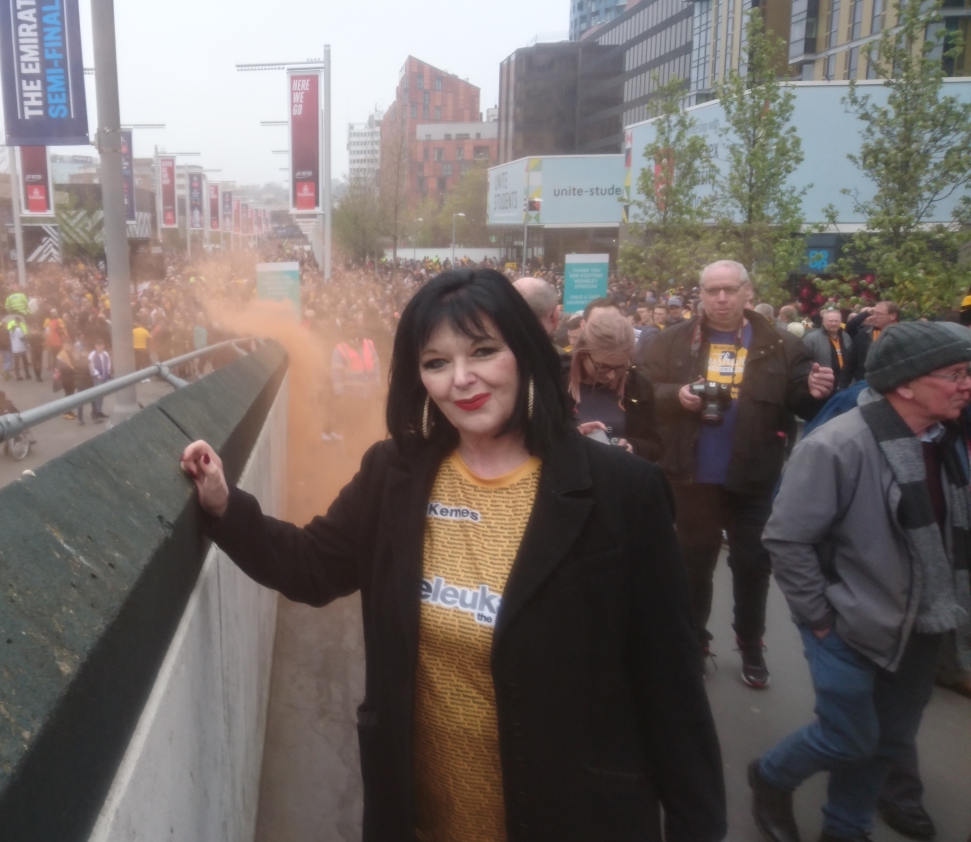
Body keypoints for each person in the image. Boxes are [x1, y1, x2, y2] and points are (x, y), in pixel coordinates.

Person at [181, 268, 725, 842]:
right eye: (436, 362)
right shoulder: (393, 473)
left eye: (484, 351)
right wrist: (223, 504)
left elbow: (673, 694)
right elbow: (311, 566)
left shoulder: (624, 492)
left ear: (526, 352)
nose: (461, 380)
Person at [750, 321, 971, 842]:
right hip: (848, 625)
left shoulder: (946, 442)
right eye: (956, 374)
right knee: (849, 738)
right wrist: (821, 620)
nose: (967, 385)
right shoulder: (838, 444)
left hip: (925, 621)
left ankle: (845, 828)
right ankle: (771, 776)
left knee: (889, 740)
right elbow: (786, 539)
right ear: (906, 382)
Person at [640, 259, 832, 687]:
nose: (721, 298)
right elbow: (643, 391)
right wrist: (677, 395)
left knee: (752, 566)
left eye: (729, 289)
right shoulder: (673, 342)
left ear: (748, 292)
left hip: (753, 478)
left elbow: (802, 400)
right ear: (701, 295)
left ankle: (750, 644)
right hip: (691, 478)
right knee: (693, 566)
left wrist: (816, 393)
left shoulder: (779, 344)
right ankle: (694, 641)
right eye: (712, 291)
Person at [570, 310, 662, 462]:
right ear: (583, 353)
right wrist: (573, 436)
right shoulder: (555, 382)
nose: (611, 376)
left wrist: (633, 446)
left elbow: (656, 446)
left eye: (620, 367)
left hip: (622, 479)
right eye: (602, 367)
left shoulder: (638, 386)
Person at [845, 300, 901, 385]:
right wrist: (842, 386)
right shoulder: (864, 334)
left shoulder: (903, 336)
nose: (873, 317)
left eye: (878, 314)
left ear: (893, 316)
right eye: (874, 313)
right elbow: (850, 363)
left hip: (893, 386)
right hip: (865, 385)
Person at [803, 307, 852, 394]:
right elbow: (804, 362)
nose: (833, 323)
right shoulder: (811, 339)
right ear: (824, 322)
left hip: (845, 385)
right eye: (830, 321)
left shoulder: (846, 337)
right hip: (823, 385)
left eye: (836, 321)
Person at [88, 339, 112, 421]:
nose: (100, 347)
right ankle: (95, 411)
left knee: (102, 395)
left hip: (104, 376)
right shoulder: (92, 355)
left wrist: (108, 372)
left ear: (103, 346)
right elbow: (91, 366)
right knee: (97, 395)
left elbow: (108, 363)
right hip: (97, 378)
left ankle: (99, 410)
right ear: (95, 346)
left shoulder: (105, 354)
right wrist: (96, 374)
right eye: (98, 345)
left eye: (101, 345)